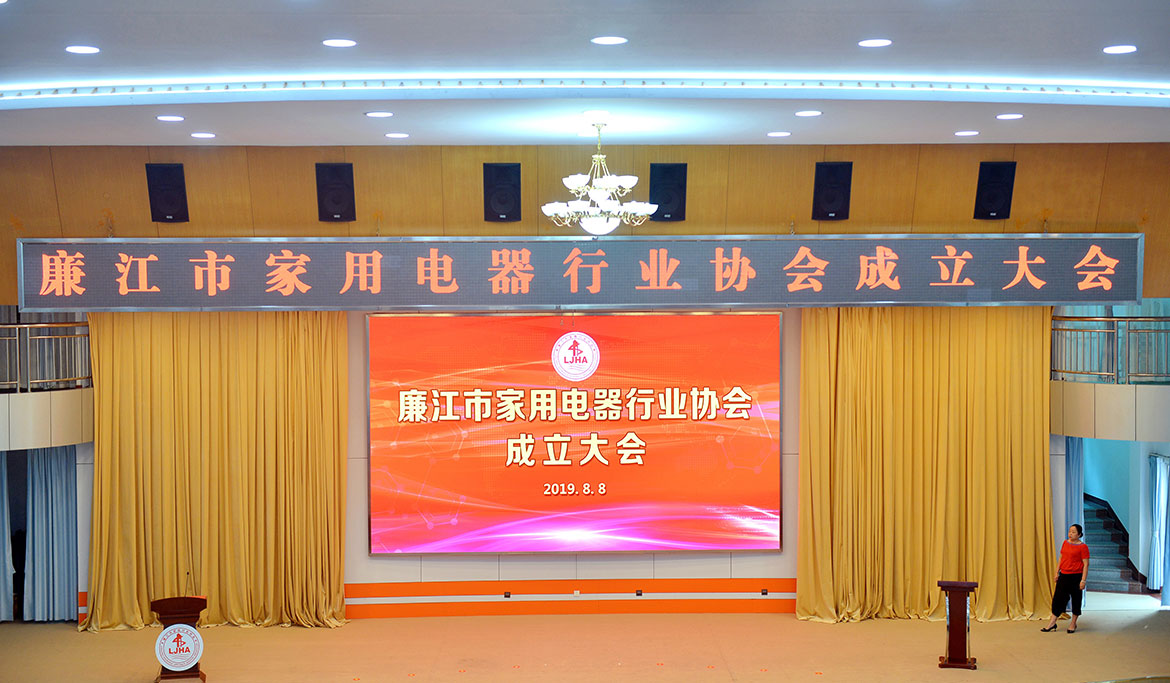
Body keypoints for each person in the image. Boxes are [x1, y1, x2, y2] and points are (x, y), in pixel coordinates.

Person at [1041, 524, 1091, 633]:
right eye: (1070, 531)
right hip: (1064, 575)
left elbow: (1086, 564)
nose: (1070, 534)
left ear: (1079, 534)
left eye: (1073, 532)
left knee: (1076, 599)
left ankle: (1073, 623)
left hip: (1076, 576)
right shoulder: (1065, 543)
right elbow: (1061, 558)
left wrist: (1083, 580)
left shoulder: (1083, 547)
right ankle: (1052, 622)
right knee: (1058, 599)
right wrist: (1056, 572)